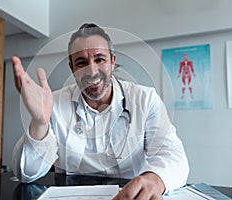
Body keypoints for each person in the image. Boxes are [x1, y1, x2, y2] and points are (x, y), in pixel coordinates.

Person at [12, 23, 189, 200]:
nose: (92, 71)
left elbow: (174, 157)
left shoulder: (145, 99)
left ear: (112, 61)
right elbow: (27, 174)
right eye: (81, 63)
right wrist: (40, 123)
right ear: (72, 68)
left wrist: (155, 180)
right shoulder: (54, 103)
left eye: (99, 59)